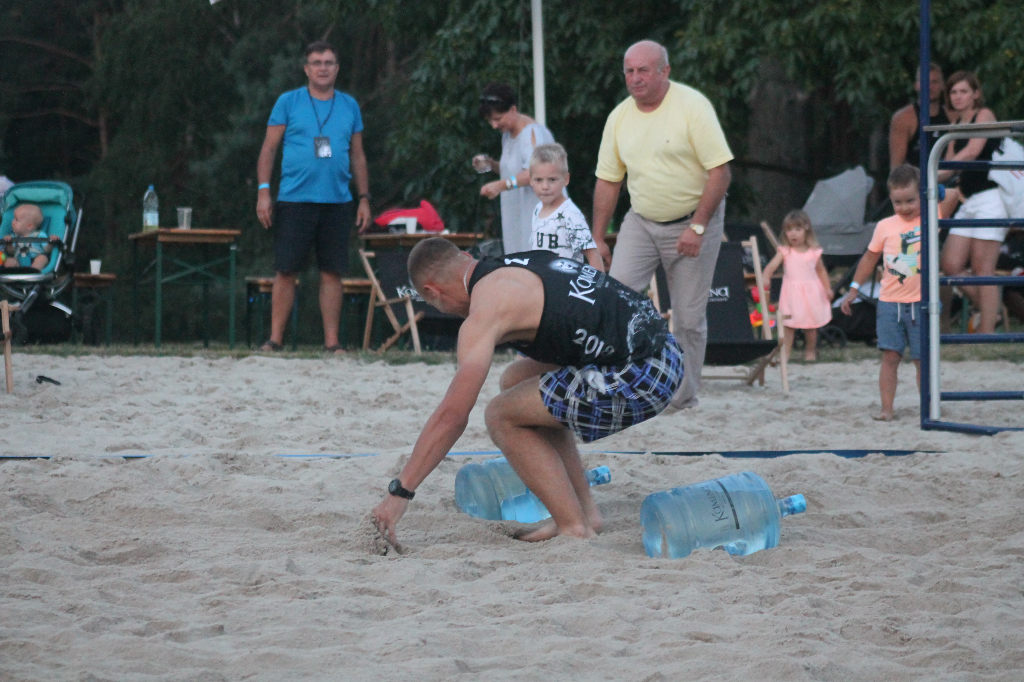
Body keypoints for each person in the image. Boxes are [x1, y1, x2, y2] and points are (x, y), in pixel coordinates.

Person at [371, 237, 683, 547]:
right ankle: (586, 512)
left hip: (643, 375)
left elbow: (452, 416)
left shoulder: (484, 311)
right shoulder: (518, 263)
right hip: (662, 348)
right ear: (465, 257)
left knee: (499, 416)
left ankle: (574, 527)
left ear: (432, 293)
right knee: (515, 380)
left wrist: (401, 490)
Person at [590, 40, 732, 411]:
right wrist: (598, 237)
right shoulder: (619, 117)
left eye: (643, 70)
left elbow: (720, 172)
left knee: (686, 316)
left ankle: (681, 399)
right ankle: (614, 383)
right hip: (641, 220)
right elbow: (608, 181)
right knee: (613, 301)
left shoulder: (692, 107)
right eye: (629, 71)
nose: (635, 79)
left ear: (664, 71)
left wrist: (698, 227)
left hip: (693, 217)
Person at [255, 40, 371, 354]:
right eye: (317, 62)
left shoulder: (349, 105)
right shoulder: (288, 102)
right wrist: (264, 191)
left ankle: (332, 342)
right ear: (306, 68)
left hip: (338, 201)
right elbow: (268, 148)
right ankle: (275, 339)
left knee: (332, 271)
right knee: (286, 269)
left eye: (329, 62)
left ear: (337, 68)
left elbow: (358, 156)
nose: (323, 68)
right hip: (295, 199)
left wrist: (363, 198)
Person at [839, 165, 925, 421]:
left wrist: (936, 190)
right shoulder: (885, 226)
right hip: (889, 303)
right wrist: (854, 288)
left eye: (911, 200)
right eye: (898, 202)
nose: (905, 207)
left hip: (920, 302)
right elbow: (868, 259)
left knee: (922, 359)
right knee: (890, 356)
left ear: (923, 194)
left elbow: (954, 194)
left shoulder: (931, 218)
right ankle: (887, 409)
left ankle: (927, 409)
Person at [938, 71, 1004, 335]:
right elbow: (949, 167)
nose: (958, 96)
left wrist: (934, 170)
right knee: (950, 264)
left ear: (976, 93)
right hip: (969, 198)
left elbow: (972, 152)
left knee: (982, 268)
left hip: (991, 197)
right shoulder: (955, 126)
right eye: (954, 92)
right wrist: (921, 176)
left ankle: (986, 335)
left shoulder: (984, 115)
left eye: (964, 91)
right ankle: (992, 310)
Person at [472, 82, 556, 255]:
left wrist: (500, 185)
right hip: (516, 222)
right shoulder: (507, 135)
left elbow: (538, 173)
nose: (494, 125)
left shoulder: (532, 134)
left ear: (512, 110)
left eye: (497, 119)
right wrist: (491, 164)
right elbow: (515, 172)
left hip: (539, 221)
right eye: (490, 121)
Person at [761, 210, 832, 362]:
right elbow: (772, 265)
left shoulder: (813, 252)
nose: (793, 234)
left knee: (811, 326)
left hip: (811, 293)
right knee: (788, 325)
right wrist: (766, 276)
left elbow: (821, 271)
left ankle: (810, 352)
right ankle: (785, 355)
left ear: (806, 228)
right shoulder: (785, 251)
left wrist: (827, 288)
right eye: (789, 230)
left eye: (797, 229)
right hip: (792, 295)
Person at [528, 143, 601, 268]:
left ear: (565, 179)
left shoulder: (570, 215)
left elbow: (592, 255)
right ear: (530, 181)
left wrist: (598, 286)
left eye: (552, 180)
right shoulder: (537, 209)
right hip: (542, 282)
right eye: (539, 180)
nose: (545, 187)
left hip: (567, 282)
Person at [889, 63, 950, 169]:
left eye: (934, 82)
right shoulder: (904, 118)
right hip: (915, 181)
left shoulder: (952, 115)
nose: (929, 87)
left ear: (942, 85)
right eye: (924, 82)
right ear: (916, 85)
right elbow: (896, 166)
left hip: (947, 180)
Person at [3, 204, 57, 270]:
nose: (12, 222)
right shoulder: (14, 237)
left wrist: (51, 242)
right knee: (8, 260)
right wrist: (9, 243)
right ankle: (11, 271)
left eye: (16, 220)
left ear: (29, 226)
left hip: (35, 258)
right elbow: (11, 252)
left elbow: (47, 250)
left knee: (42, 258)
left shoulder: (40, 235)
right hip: (18, 261)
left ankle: (33, 270)